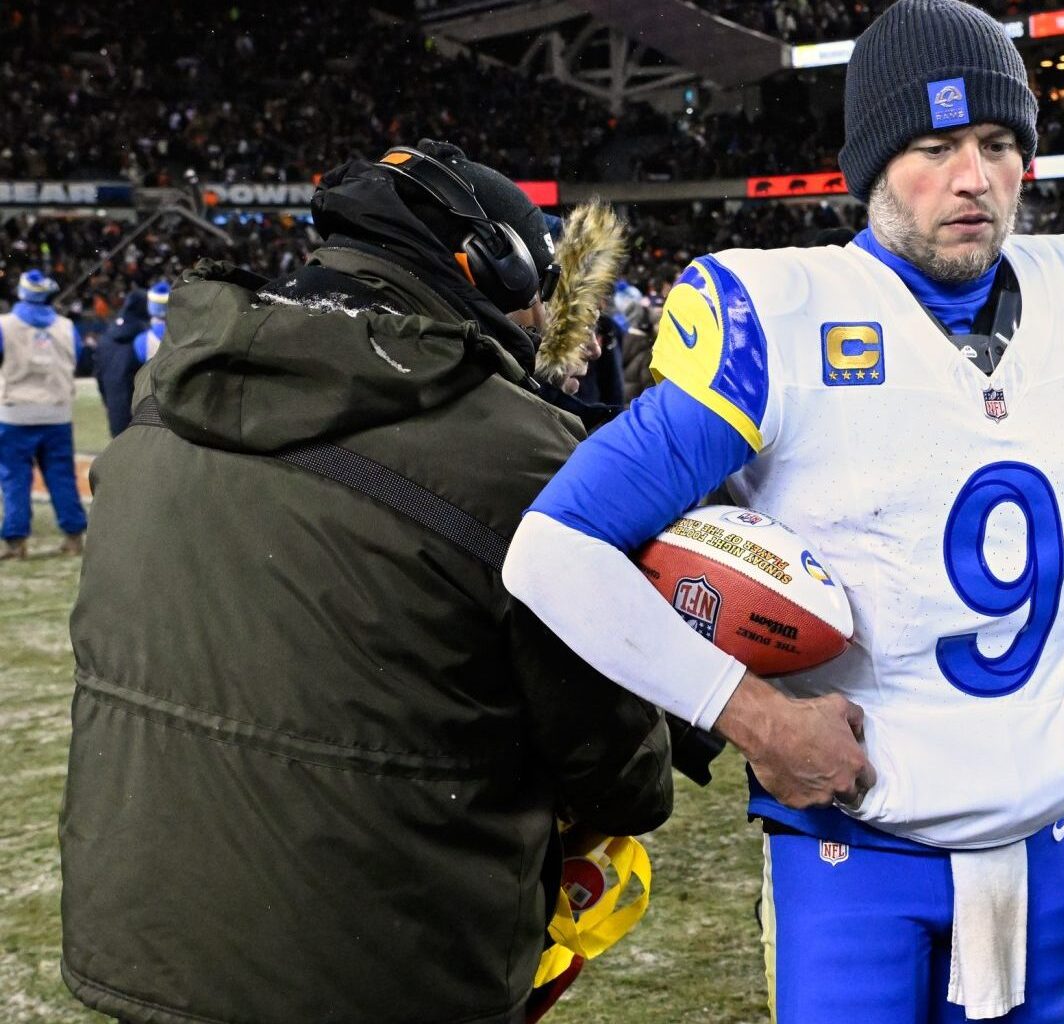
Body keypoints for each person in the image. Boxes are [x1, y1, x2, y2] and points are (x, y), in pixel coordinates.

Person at [503, 1, 1064, 1020]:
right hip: (858, 856)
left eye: (998, 143)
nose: (973, 177)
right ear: (872, 166)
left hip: (1041, 849)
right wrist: (754, 717)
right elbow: (552, 550)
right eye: (933, 147)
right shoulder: (782, 318)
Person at [60, 141, 676, 1024]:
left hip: (144, 949)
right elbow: (622, 779)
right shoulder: (516, 451)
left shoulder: (168, 389)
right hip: (381, 970)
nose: (544, 312)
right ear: (489, 263)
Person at [0, 269, 91, 560]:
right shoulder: (66, 326)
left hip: (15, 413)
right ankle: (74, 536)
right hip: (57, 413)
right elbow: (77, 357)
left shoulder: (5, 326)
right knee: (62, 477)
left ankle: (16, 543)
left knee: (15, 479)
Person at [94, 286, 150, 438]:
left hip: (115, 412)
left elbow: (99, 376)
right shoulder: (145, 338)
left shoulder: (105, 338)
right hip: (144, 416)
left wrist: (110, 404)